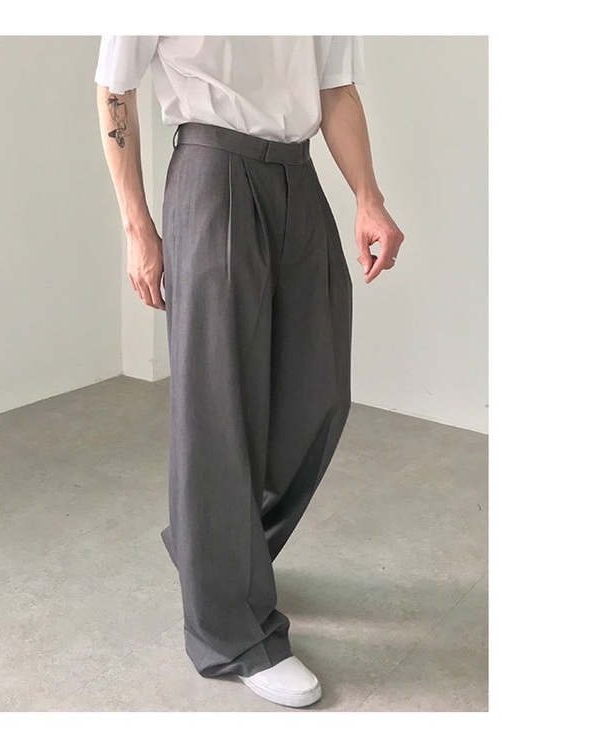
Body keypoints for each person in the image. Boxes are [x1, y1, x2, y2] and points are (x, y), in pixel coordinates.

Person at [95, 35, 404, 709]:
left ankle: (216, 552)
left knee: (319, 392)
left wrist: (368, 197)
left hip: (297, 175)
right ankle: (232, 633)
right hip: (212, 172)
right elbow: (115, 88)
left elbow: (335, 89)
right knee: (218, 406)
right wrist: (138, 229)